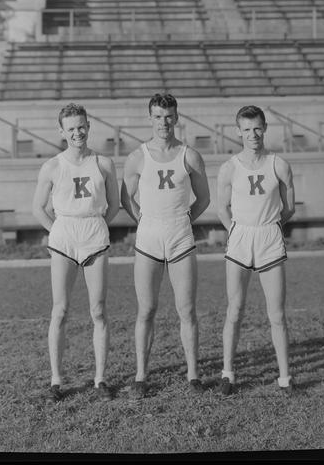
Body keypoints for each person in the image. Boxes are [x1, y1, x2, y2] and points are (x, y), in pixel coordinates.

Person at [121, 92, 210, 398]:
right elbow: (125, 198)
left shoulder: (190, 155)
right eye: (158, 116)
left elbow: (204, 198)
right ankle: (141, 375)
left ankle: (193, 374)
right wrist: (145, 222)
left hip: (181, 238)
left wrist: (183, 220)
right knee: (146, 309)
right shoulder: (137, 157)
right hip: (148, 239)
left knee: (186, 309)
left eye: (169, 116)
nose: (164, 122)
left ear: (177, 117)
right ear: (150, 118)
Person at [32, 103, 120, 402]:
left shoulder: (103, 163)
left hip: (94, 233)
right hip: (64, 236)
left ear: (88, 126)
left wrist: (96, 226)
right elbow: (38, 207)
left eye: (81, 126)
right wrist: (56, 230)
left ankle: (100, 379)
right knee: (61, 309)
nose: (77, 133)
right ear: (62, 132)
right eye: (71, 128)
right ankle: (56, 380)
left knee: (98, 309)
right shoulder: (53, 166)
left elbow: (114, 204)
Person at [217, 105, 295, 396]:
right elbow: (221, 207)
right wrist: (236, 231)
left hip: (269, 239)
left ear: (265, 128)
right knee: (234, 310)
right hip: (240, 238)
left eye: (258, 128)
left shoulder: (279, 164)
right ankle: (228, 374)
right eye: (247, 129)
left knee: (276, 314)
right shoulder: (229, 167)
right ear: (238, 131)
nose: (253, 134)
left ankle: (285, 378)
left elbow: (288, 208)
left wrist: (269, 227)